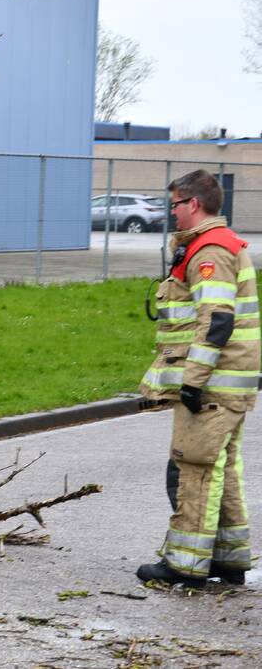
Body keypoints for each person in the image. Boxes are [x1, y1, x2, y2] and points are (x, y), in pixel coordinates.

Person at [137, 169, 259, 587]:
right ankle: (228, 559)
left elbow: (217, 320)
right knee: (218, 469)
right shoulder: (217, 245)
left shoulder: (209, 251)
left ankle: (185, 565)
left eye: (174, 204)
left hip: (212, 384)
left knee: (195, 467)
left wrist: (192, 380)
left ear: (193, 204)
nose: (171, 213)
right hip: (229, 382)